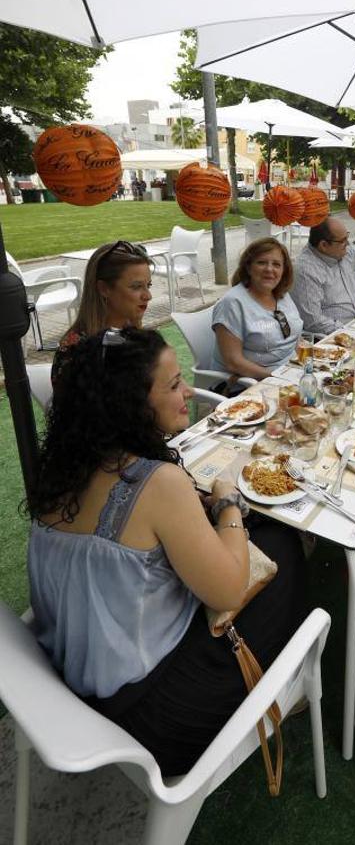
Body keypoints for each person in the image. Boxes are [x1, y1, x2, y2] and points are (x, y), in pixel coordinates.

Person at [28, 327, 305, 777]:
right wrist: (229, 501)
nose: (189, 391)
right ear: (131, 404)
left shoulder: (57, 472)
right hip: (156, 720)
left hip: (76, 691)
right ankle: (288, 684)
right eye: (173, 384)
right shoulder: (157, 482)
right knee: (282, 547)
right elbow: (228, 594)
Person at [53, 240, 153, 379]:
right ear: (104, 289)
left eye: (149, 285)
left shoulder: (134, 335)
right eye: (136, 286)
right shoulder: (76, 350)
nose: (148, 296)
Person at [211, 237, 303, 380]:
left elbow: (295, 335)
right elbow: (234, 363)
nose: (269, 269)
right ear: (248, 267)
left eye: (277, 264)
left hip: (292, 372)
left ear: (284, 270)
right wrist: (278, 378)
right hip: (249, 384)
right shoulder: (232, 304)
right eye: (261, 263)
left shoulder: (282, 295)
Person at [291, 217, 355, 335]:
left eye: (347, 237)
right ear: (323, 245)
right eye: (343, 240)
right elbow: (313, 322)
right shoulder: (305, 270)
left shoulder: (347, 251)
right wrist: (351, 330)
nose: (348, 243)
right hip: (329, 337)